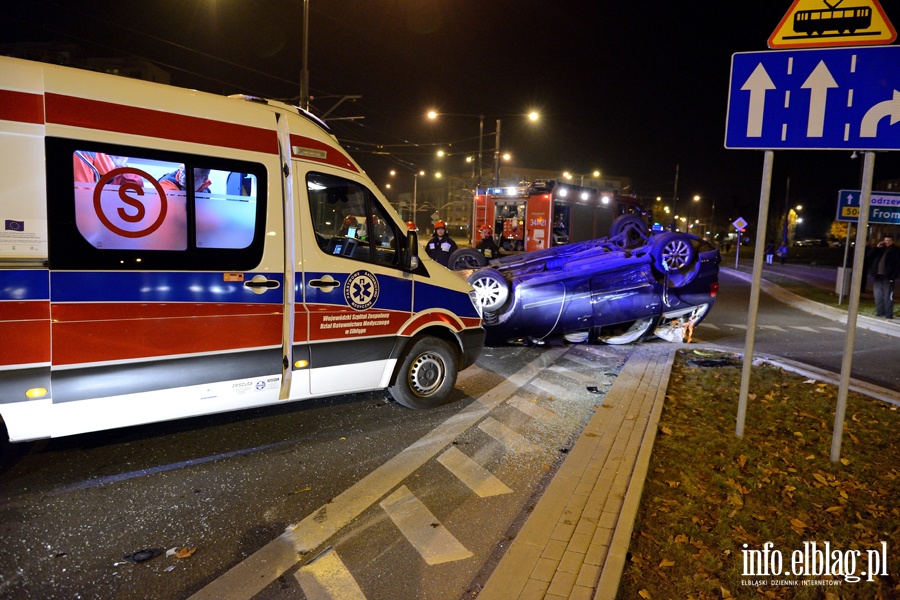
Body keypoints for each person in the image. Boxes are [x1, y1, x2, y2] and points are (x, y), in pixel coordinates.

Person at [867, 233, 898, 319]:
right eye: (885, 240)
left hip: (888, 277)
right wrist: (877, 247)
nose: (887, 242)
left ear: (892, 241)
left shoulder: (895, 251)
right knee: (878, 295)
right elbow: (869, 256)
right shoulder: (880, 249)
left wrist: (893, 276)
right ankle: (880, 312)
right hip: (878, 275)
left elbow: (897, 265)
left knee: (888, 296)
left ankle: (888, 314)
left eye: (889, 241)